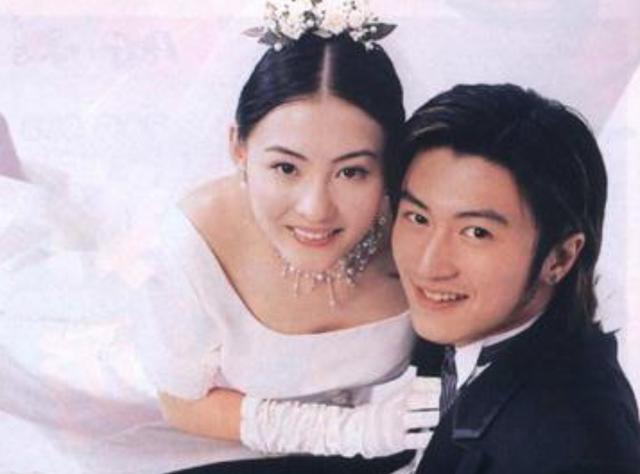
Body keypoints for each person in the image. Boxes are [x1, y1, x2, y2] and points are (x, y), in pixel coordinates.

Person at [134, 0, 439, 470]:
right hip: (223, 446)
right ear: (238, 149)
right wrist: (351, 432)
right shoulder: (197, 242)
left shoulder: (418, 233)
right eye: (286, 168)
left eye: (352, 172)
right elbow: (179, 403)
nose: (316, 209)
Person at [390, 83, 640, 473]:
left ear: (559, 257)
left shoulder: (571, 441)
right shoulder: (460, 336)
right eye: (418, 218)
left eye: (476, 232)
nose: (428, 264)